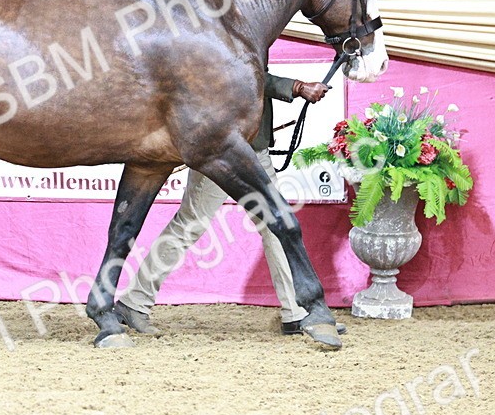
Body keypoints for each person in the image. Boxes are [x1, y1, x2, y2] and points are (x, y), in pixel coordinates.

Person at [114, 74, 346, 348]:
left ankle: (295, 311)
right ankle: (134, 302)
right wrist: (296, 88)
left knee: (278, 228)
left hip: (253, 150)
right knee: (190, 224)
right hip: (221, 152)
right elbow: (245, 73)